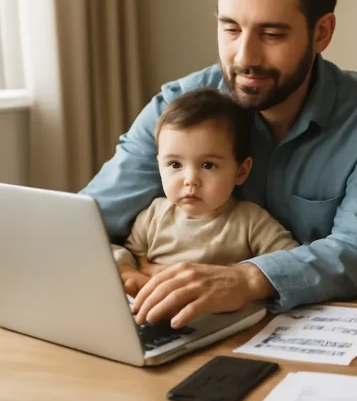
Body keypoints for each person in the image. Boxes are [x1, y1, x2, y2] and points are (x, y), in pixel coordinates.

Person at [80, 0, 357, 329]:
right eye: (230, 29)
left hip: (320, 335)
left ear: (321, 32)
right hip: (180, 327)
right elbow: (90, 219)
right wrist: (121, 268)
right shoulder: (176, 106)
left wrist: (246, 278)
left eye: (272, 34)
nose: (244, 56)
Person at [115, 89, 299, 297]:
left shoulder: (250, 221)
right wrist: (131, 271)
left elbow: (290, 262)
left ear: (241, 171)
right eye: (175, 164)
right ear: (159, 165)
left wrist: (236, 275)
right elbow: (129, 254)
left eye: (208, 165)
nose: (190, 179)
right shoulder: (153, 216)